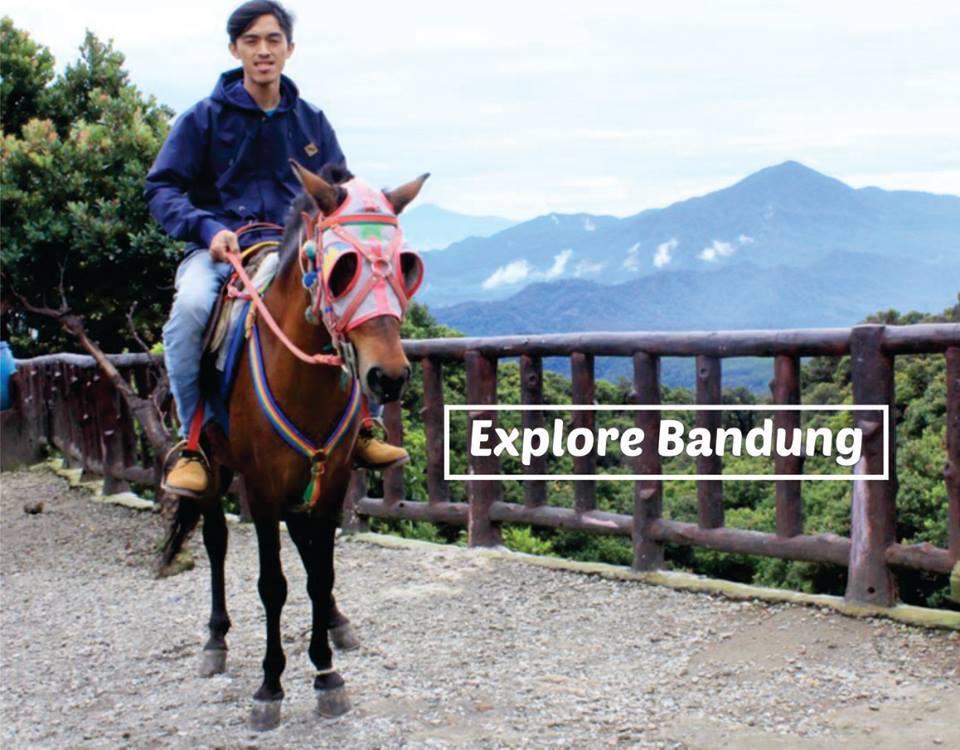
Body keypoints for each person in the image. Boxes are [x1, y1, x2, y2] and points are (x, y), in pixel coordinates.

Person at [145, 0, 407, 498]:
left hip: (298, 251)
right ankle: (194, 442)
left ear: (289, 49)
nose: (263, 51)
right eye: (251, 41)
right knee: (191, 311)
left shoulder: (311, 121)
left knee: (354, 298)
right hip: (222, 249)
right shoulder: (202, 119)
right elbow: (162, 188)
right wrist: (206, 229)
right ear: (234, 49)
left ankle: (365, 426)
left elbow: (338, 193)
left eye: (273, 40)